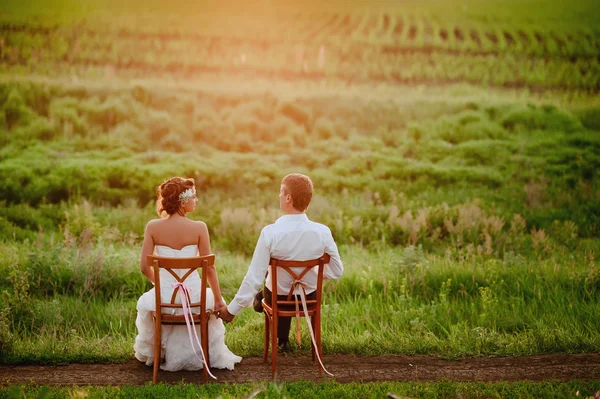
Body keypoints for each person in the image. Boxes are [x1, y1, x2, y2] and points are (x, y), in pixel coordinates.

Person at [217, 173, 343, 352]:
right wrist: (311, 270)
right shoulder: (322, 232)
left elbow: (254, 277)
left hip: (278, 298)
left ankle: (266, 310)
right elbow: (337, 271)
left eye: (280, 192)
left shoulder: (270, 233)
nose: (278, 196)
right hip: (309, 297)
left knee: (271, 278)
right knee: (279, 278)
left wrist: (231, 311)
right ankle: (267, 304)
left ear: (288, 197)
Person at [134, 177, 241, 371]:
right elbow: (209, 268)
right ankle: (200, 353)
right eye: (193, 196)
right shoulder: (200, 227)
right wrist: (218, 300)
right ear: (183, 201)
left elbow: (143, 267)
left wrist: (162, 285)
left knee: (148, 302)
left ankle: (162, 354)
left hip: (165, 299)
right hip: (194, 299)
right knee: (206, 300)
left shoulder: (152, 227)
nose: (196, 200)